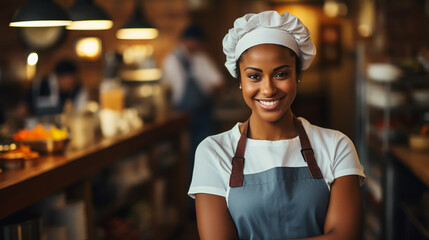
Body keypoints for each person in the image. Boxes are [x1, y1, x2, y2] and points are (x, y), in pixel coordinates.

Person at [188, 11, 365, 240]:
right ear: (239, 80)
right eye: (254, 76)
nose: (269, 89)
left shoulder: (336, 146)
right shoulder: (213, 152)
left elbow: (345, 236)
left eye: (281, 74)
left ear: (298, 75)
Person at [162, 24, 224, 173]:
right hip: (181, 116)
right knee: (184, 155)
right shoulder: (171, 60)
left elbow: (219, 82)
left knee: (205, 153)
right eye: (199, 41)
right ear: (189, 41)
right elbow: (167, 90)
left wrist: (207, 94)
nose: (201, 45)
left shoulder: (201, 58)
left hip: (203, 115)